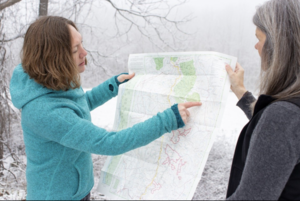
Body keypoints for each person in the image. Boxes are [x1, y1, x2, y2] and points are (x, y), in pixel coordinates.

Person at [9, 16, 201, 200]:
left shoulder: (51, 82)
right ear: (55, 58)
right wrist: (167, 120)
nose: (85, 53)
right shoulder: (45, 112)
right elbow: (110, 143)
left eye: (81, 44)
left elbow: (78, 107)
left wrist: (113, 85)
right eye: (76, 50)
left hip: (74, 191)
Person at [225, 0, 300, 200]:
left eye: (259, 38)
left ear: (278, 44)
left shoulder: (284, 115)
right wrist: (241, 91)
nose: (256, 46)